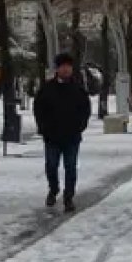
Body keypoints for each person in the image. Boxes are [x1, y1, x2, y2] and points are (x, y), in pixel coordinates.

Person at [34, 53, 91, 213]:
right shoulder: (47, 89)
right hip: (52, 136)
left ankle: (69, 197)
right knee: (51, 166)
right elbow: (38, 109)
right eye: (62, 66)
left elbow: (85, 110)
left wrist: (80, 126)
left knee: (70, 167)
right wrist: (43, 127)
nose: (66, 69)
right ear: (57, 69)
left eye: (68, 66)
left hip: (72, 136)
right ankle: (53, 189)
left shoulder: (78, 89)